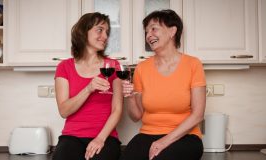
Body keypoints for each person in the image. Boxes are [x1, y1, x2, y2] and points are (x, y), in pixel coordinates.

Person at [120, 9, 206, 160]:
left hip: (186, 136)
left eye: (154, 29)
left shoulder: (193, 64)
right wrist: (129, 97)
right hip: (148, 134)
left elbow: (198, 115)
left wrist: (164, 141)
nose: (148, 35)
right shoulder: (142, 68)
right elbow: (136, 116)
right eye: (146, 32)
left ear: (172, 31)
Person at [52, 12, 123, 160]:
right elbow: (64, 111)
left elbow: (117, 109)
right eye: (100, 30)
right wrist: (88, 89)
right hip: (72, 137)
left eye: (107, 32)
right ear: (84, 32)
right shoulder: (64, 67)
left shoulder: (113, 66)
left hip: (106, 137)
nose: (105, 36)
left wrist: (100, 138)